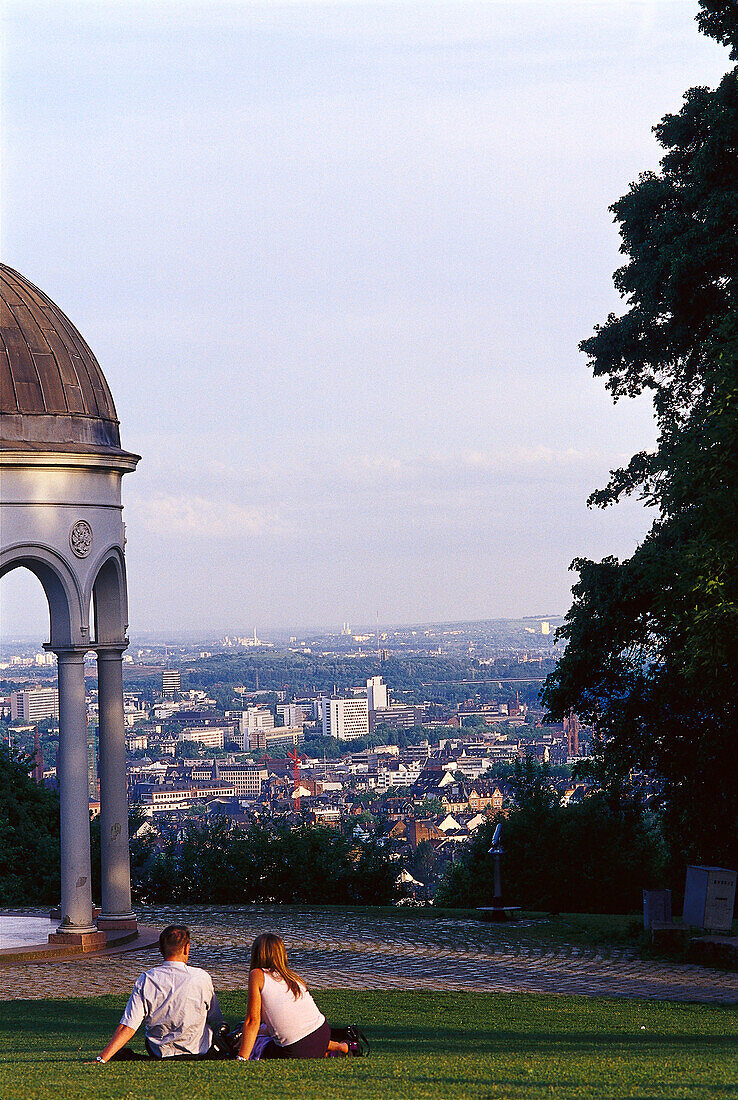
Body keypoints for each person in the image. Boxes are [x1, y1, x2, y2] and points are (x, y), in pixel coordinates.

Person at [95, 924, 226, 1062]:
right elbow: (215, 1018)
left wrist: (103, 1058)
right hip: (197, 1049)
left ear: (160, 950)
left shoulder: (148, 979)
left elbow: (128, 1025)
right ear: (187, 948)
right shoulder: (201, 977)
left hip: (160, 1051)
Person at [237, 933, 348, 1060]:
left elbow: (252, 1021)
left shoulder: (257, 975)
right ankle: (340, 1047)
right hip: (322, 1034)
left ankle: (329, 1050)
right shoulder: (293, 978)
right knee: (266, 1032)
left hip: (296, 1049)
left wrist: (242, 1057)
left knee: (258, 1043)